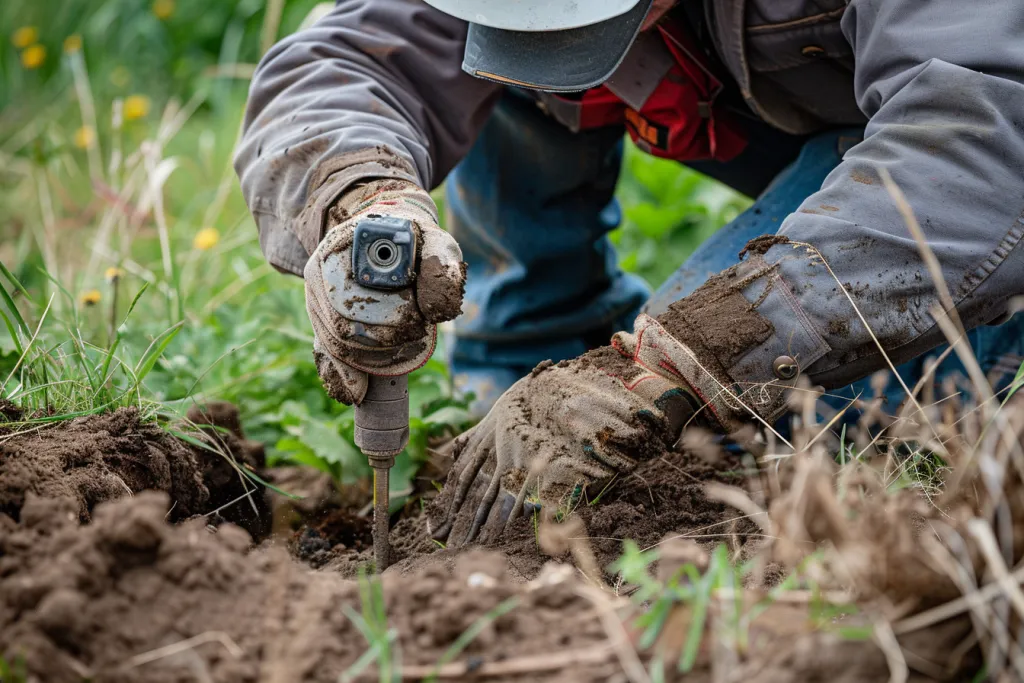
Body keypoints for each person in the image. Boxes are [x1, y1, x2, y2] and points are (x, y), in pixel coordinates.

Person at [235, 1, 1024, 547]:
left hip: (969, 161)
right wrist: (359, 197)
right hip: (860, 112)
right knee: (507, 65)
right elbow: (339, 58)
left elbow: (979, 138)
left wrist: (667, 365)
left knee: (713, 429)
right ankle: (519, 369)